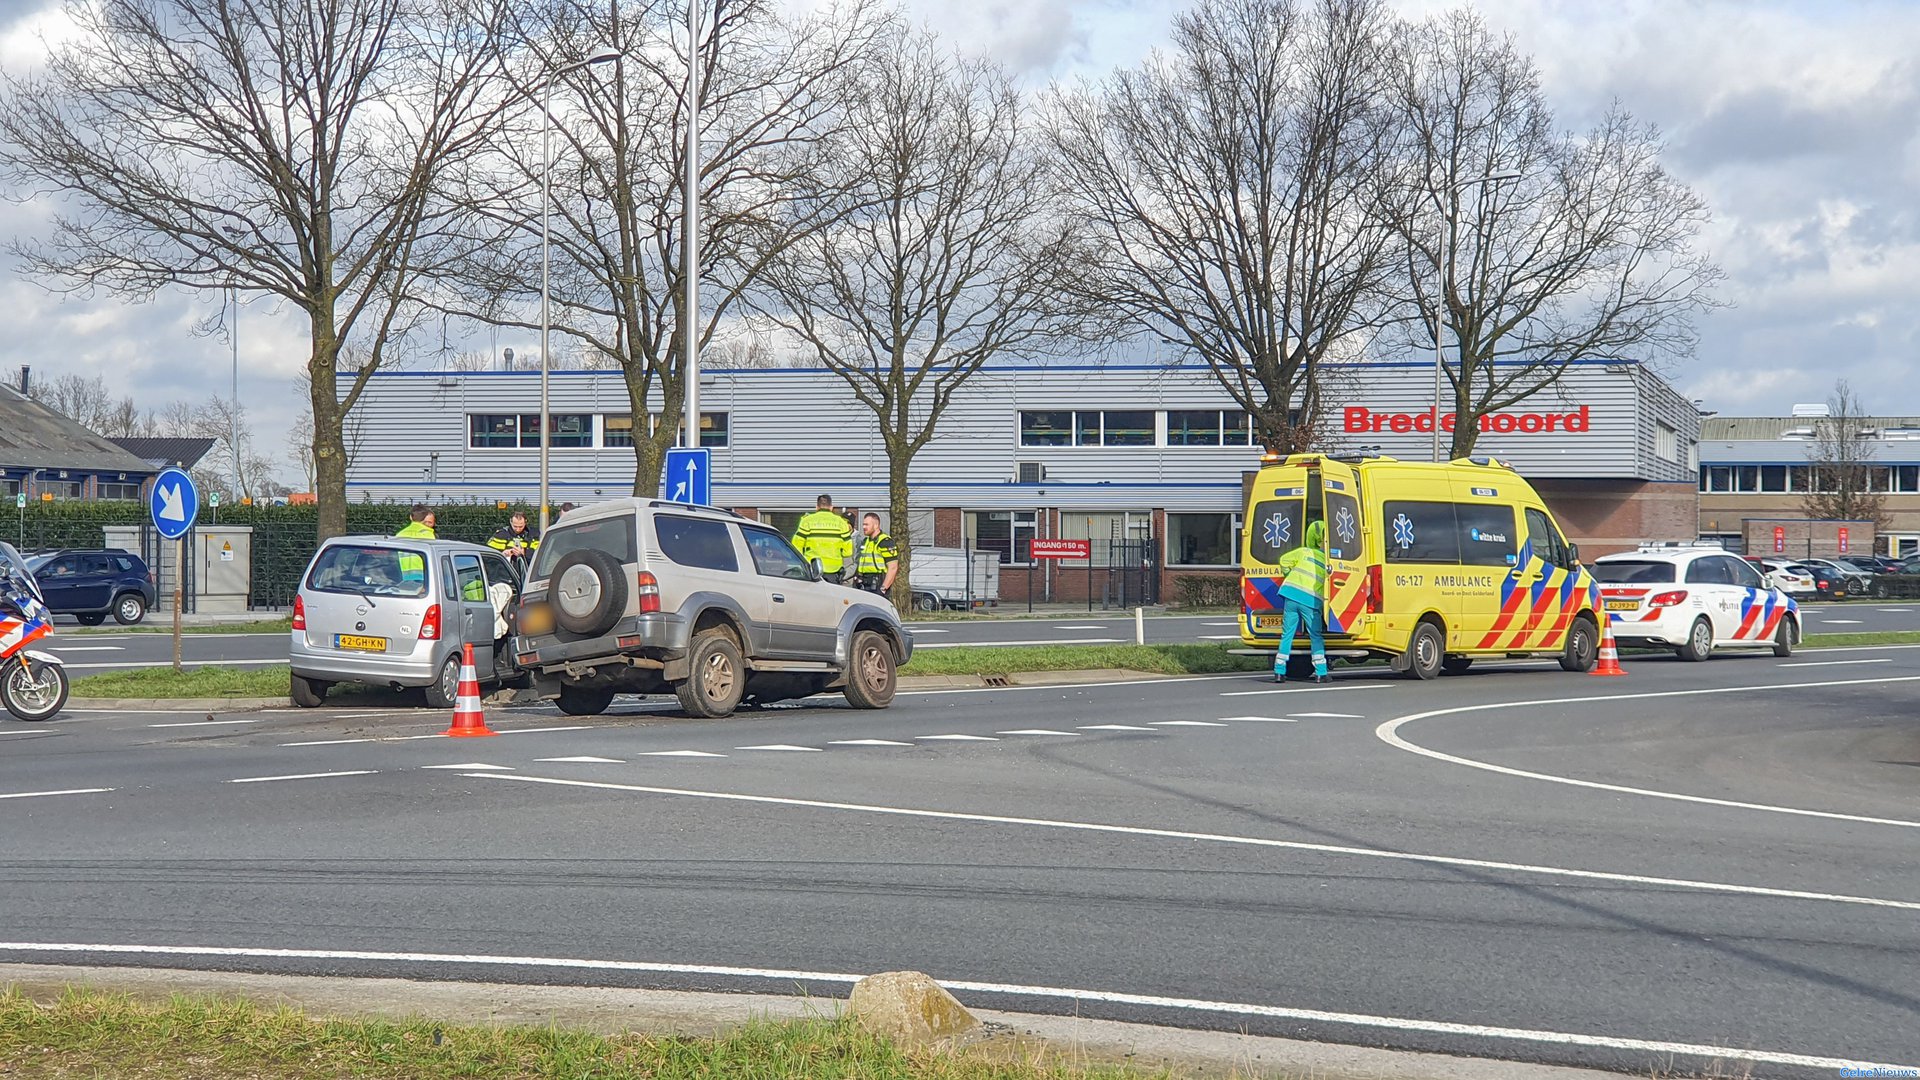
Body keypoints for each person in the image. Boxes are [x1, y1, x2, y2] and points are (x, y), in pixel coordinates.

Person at [1272, 519, 1330, 684]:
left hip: (1290, 596)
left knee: (1287, 635)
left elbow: (1284, 560)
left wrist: (1287, 574)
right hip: (1310, 602)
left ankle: (1279, 671)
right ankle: (1321, 672)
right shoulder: (1328, 561)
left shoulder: (1303, 552)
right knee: (1315, 636)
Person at [790, 494, 853, 583]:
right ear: (831, 508)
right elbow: (848, 552)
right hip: (834, 571)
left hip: (812, 570)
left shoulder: (807, 521)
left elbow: (796, 547)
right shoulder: (841, 523)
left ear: (816, 507)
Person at [855, 513, 899, 597]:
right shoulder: (865, 541)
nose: (864, 527)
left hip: (878, 585)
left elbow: (893, 567)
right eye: (863, 524)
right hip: (864, 585)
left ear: (876, 525)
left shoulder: (885, 542)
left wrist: (883, 589)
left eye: (866, 525)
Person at [394, 504, 435, 584]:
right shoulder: (428, 534)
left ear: (410, 517)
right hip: (425, 578)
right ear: (424, 518)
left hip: (403, 578)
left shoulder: (399, 535)